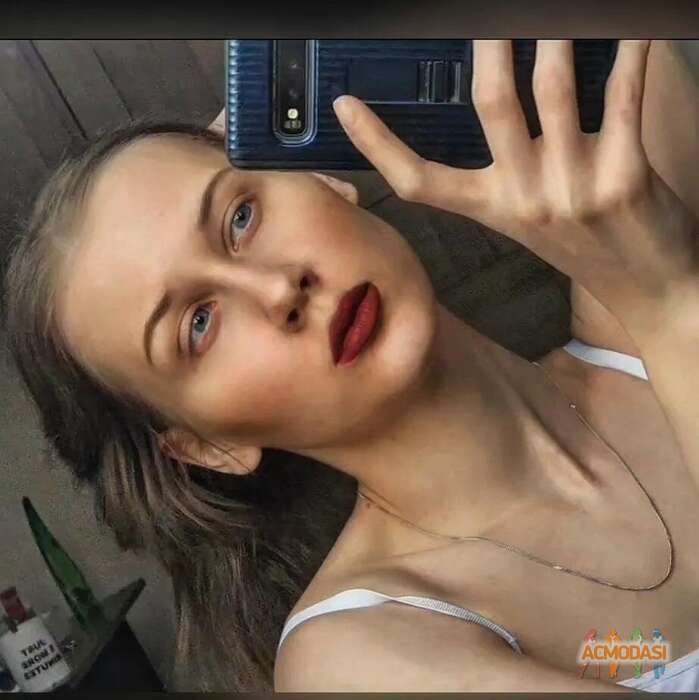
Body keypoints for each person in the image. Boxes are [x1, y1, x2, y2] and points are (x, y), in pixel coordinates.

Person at [3, 40, 698, 692]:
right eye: (199, 325)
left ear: (322, 180)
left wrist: (339, 67)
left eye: (241, 218)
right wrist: (672, 307)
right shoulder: (356, 656)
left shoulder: (632, 307)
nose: (279, 289)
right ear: (208, 446)